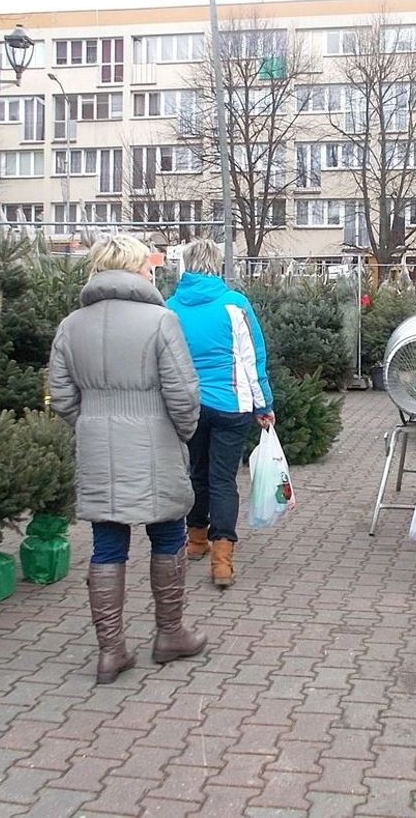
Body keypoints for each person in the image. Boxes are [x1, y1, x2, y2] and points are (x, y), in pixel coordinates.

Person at [48, 235, 207, 684]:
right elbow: (183, 393)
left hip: (97, 447)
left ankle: (111, 651)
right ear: (138, 268)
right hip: (156, 442)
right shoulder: (161, 321)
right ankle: (170, 633)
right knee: (168, 533)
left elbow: (61, 396)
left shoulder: (71, 325)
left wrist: (92, 424)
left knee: (107, 544)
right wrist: (181, 433)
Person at [166, 239, 274, 588]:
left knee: (196, 473)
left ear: (187, 265)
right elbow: (252, 359)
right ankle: (222, 561)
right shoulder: (234, 304)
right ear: (217, 265)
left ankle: (196, 540)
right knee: (223, 480)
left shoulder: (169, 307)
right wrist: (264, 405)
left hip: (189, 406)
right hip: (231, 405)